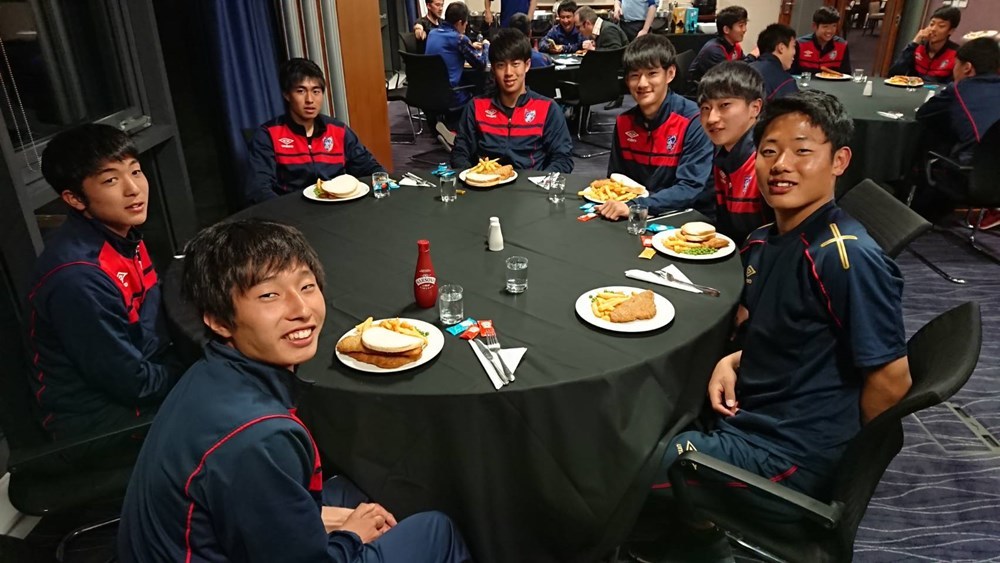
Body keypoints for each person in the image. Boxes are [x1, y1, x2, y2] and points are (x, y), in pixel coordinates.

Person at [642, 91, 911, 558]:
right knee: (647, 409)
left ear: (839, 161)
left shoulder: (845, 258)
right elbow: (794, 332)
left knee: (627, 462)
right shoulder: (766, 240)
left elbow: (891, 381)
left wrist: (843, 474)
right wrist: (735, 359)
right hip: (753, 412)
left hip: (788, 457)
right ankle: (694, 527)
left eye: (802, 151)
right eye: (769, 151)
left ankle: (698, 538)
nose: (781, 165)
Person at [118, 219, 473, 563]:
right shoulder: (259, 438)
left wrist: (320, 518)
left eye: (306, 286)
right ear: (219, 320)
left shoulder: (209, 372)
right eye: (269, 295)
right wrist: (350, 536)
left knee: (359, 492)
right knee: (435, 530)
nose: (301, 310)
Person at [27, 124, 185, 456]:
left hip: (143, 373)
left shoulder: (120, 233)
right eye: (111, 180)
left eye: (136, 171)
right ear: (74, 198)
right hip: (100, 422)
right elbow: (133, 384)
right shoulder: (79, 278)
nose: (134, 189)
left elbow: (150, 319)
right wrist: (191, 368)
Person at [599, 34, 714, 220]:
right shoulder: (624, 122)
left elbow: (690, 187)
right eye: (635, 75)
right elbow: (617, 179)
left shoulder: (693, 120)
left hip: (683, 217)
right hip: (635, 215)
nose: (642, 83)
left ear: (670, 74)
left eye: (652, 74)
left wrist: (637, 206)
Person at [246, 58, 385, 205]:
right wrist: (285, 213)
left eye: (316, 91)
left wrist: (383, 183)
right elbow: (258, 189)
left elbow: (369, 168)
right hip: (293, 210)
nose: (310, 100)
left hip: (339, 206)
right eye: (301, 91)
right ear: (287, 95)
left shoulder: (338, 130)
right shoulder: (268, 135)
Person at [451, 28, 573, 172]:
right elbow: (460, 153)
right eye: (501, 65)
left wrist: (542, 181)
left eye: (515, 64)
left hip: (531, 183)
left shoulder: (548, 108)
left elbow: (563, 158)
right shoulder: (476, 107)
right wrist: (472, 176)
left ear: (527, 65)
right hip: (486, 182)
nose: (508, 73)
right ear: (493, 69)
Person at [913, 37, 1000, 226]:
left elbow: (924, 114)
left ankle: (918, 220)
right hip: (992, 176)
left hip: (974, 179)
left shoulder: (959, 90)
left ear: (967, 68)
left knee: (934, 149)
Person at [698, 62, 773, 243]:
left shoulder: (768, 162)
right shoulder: (724, 155)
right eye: (706, 108)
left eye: (724, 105)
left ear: (755, 108)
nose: (712, 118)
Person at [426, 1, 489, 109]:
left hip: (428, 92)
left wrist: (470, 46)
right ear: (460, 23)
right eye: (465, 23)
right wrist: (486, 46)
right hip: (451, 96)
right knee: (482, 87)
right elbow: (481, 64)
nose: (466, 26)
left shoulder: (432, 33)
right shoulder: (459, 39)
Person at [888, 6, 961, 84]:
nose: (933, 29)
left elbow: (954, 85)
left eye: (941, 26)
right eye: (931, 24)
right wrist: (914, 43)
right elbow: (893, 74)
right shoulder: (918, 47)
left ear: (951, 31)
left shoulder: (956, 54)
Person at [688, 5, 749, 82]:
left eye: (745, 25)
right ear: (726, 29)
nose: (744, 30)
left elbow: (744, 65)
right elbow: (728, 76)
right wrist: (752, 56)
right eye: (741, 26)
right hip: (701, 87)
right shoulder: (714, 50)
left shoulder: (735, 46)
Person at [792, 6, 851, 75]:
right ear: (814, 26)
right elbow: (791, 73)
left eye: (834, 26)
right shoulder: (800, 44)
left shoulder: (842, 45)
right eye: (825, 26)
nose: (829, 31)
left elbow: (846, 75)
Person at [749, 23, 799, 101]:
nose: (794, 52)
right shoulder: (786, 82)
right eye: (793, 46)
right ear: (781, 48)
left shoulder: (745, 69)